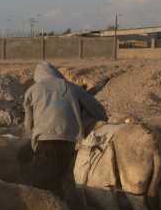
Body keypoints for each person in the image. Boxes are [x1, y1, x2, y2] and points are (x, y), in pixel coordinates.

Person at [23, 61, 108, 199]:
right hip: (71, 144)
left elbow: (28, 125)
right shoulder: (72, 87)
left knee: (43, 187)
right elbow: (99, 111)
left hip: (46, 143)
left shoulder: (33, 90)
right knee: (59, 178)